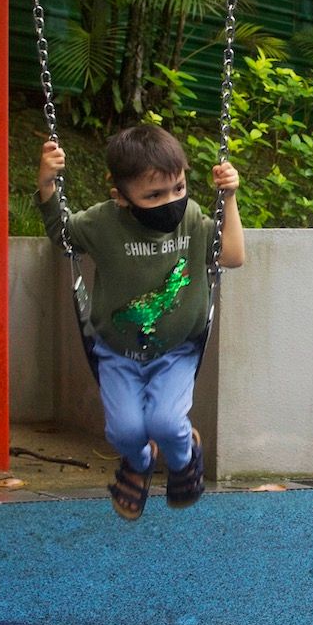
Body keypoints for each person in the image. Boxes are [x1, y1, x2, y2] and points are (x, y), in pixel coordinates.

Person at [37, 124, 245, 520]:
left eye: (178, 188)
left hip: (177, 351)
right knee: (125, 432)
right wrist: (47, 183)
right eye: (154, 195)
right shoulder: (102, 224)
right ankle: (139, 460)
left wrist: (229, 197)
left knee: (165, 422)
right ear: (120, 196)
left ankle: (184, 457)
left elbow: (232, 256)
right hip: (117, 353)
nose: (171, 201)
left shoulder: (191, 220)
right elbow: (62, 235)